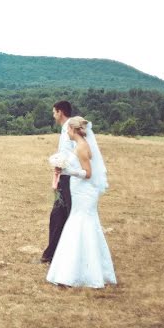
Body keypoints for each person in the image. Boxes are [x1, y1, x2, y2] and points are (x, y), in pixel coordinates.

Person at [46, 116, 116, 288]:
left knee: (80, 224)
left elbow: (88, 173)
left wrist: (69, 171)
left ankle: (75, 273)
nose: (67, 132)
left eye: (68, 129)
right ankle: (84, 269)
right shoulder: (81, 145)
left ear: (74, 129)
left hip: (84, 192)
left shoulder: (82, 147)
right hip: (80, 191)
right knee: (82, 224)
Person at [40, 100, 73, 264]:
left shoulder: (69, 130)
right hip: (66, 178)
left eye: (54, 112)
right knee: (58, 216)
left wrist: (60, 167)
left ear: (60, 112)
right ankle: (51, 253)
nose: (53, 115)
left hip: (68, 180)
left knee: (59, 216)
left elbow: (70, 156)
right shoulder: (66, 128)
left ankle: (52, 254)